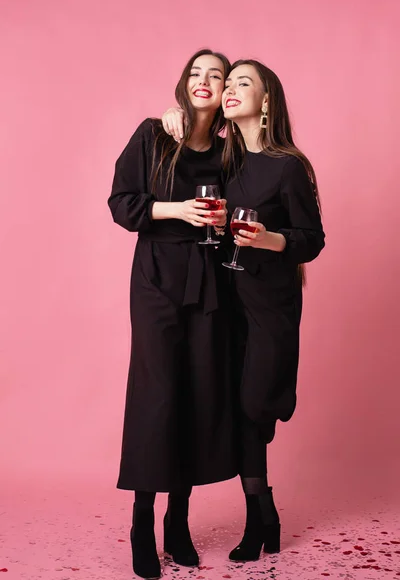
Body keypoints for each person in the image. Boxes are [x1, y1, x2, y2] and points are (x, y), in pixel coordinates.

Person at [162, 59, 325, 562]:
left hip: (270, 310)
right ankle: (263, 519)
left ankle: (261, 517)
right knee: (235, 412)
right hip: (225, 305)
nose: (229, 89)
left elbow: (312, 240)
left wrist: (268, 238)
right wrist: (174, 115)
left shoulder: (288, 165)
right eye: (226, 83)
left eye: (241, 83)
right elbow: (185, 145)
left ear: (267, 100)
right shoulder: (226, 162)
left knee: (256, 406)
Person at [108, 49, 237, 580]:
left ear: (228, 91)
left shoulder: (233, 154)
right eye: (197, 73)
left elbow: (244, 211)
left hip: (211, 279)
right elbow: (122, 203)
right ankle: (142, 521)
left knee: (198, 391)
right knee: (157, 395)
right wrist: (175, 209)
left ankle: (177, 522)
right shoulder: (154, 134)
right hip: (158, 276)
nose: (205, 81)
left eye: (217, 75)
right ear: (185, 83)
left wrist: (227, 218)